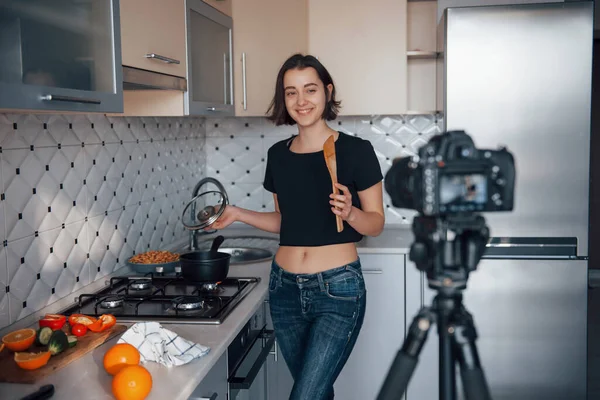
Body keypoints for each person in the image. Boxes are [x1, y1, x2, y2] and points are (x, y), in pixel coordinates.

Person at [209, 53, 385, 400]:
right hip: (284, 289)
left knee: (305, 396)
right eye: (291, 92)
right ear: (283, 98)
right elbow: (286, 222)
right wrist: (239, 213)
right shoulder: (278, 155)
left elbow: (376, 223)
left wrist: (350, 213)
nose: (301, 101)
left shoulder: (356, 151)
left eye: (310, 89)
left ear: (327, 91)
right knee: (316, 393)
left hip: (338, 290)